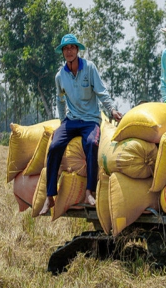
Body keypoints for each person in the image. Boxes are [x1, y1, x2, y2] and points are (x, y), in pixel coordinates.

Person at [40, 34, 122, 215]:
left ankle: (89, 192)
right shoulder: (60, 76)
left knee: (92, 144)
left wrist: (112, 110)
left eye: (72, 48)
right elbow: (60, 100)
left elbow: (101, 91)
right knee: (54, 146)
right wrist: (62, 123)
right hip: (71, 120)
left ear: (77, 50)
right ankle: (49, 196)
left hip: (91, 120)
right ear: (63, 52)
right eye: (65, 49)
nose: (69, 51)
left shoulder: (89, 68)